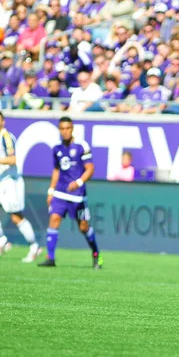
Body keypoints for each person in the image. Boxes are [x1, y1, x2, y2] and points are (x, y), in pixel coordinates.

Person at [38, 117, 103, 269]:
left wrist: (79, 182)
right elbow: (56, 170)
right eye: (62, 128)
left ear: (72, 129)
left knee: (83, 227)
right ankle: (50, 258)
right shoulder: (57, 148)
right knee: (54, 219)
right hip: (60, 192)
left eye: (68, 128)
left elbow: (90, 169)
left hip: (77, 195)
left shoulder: (82, 146)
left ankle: (96, 255)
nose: (65, 131)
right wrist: (51, 190)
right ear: (59, 130)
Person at [0, 112, 41, 263]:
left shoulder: (6, 137)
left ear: (3, 121)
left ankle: (34, 246)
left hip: (9, 181)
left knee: (16, 216)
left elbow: (13, 159)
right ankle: (3, 240)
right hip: (1, 180)